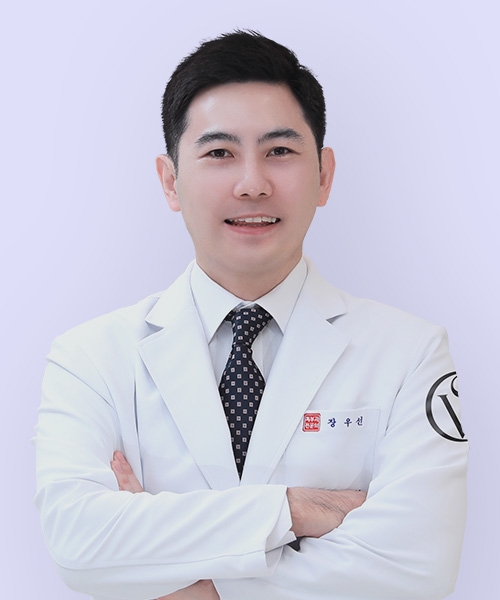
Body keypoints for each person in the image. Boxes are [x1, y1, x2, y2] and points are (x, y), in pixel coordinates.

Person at [34, 31, 468, 600]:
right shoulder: (89, 358)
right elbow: (78, 542)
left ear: (324, 175)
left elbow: (418, 565)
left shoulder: (410, 352)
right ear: (170, 180)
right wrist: (293, 509)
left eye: (279, 151)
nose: (252, 184)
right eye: (219, 153)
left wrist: (191, 582)